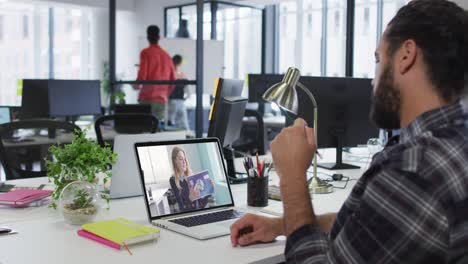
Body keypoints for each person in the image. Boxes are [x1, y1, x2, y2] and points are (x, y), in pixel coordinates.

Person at [230, 0, 468, 263]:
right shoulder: (454, 143)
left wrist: (293, 176)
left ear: (405, 55)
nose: (372, 79)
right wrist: (282, 225)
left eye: (378, 59)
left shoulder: (413, 170)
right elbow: (373, 228)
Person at [134, 25, 175, 123]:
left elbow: (142, 76)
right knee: (157, 130)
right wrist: (165, 94)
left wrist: (135, 85)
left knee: (144, 129)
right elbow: (173, 81)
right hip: (161, 99)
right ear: (159, 37)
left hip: (146, 98)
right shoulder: (166, 55)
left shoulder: (146, 53)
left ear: (147, 37)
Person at [169, 147, 210, 212]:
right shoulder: (173, 180)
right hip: (188, 215)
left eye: (185, 159)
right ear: (175, 161)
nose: (184, 161)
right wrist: (190, 199)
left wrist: (208, 192)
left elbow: (201, 204)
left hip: (199, 212)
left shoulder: (191, 176)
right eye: (181, 159)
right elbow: (182, 207)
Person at [168, 55, 190, 130]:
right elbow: (188, 93)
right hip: (180, 102)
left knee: (170, 123)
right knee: (183, 124)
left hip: (171, 101)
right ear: (180, 63)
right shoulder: (183, 75)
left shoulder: (169, 74)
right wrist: (185, 99)